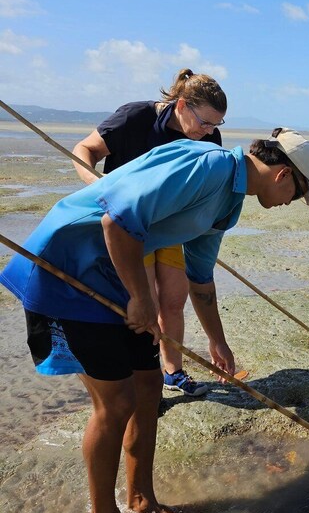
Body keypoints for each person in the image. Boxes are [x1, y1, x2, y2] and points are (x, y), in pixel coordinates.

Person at [0, 128, 309, 513]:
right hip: (67, 269)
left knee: (149, 387)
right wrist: (141, 297)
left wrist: (216, 340)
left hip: (114, 276)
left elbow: (200, 279)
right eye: (296, 196)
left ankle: (140, 498)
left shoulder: (229, 204)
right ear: (283, 176)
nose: (288, 204)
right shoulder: (211, 165)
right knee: (115, 403)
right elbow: (115, 221)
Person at [72, 68, 227, 397]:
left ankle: (174, 373)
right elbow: (83, 151)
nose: (210, 132)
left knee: (172, 301)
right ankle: (147, 379)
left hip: (168, 227)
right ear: (182, 106)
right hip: (126, 227)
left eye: (216, 125)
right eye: (205, 122)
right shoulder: (134, 117)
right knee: (147, 302)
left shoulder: (208, 137)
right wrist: (102, 188)